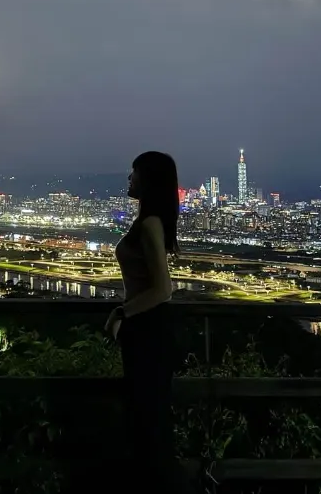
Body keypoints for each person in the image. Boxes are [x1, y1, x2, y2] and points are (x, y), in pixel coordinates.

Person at [105, 151, 183, 488]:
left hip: (149, 330)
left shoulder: (150, 224)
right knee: (147, 417)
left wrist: (122, 312)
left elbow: (163, 289)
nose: (129, 178)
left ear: (147, 180)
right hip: (146, 329)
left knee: (148, 420)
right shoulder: (147, 221)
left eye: (134, 172)